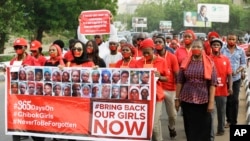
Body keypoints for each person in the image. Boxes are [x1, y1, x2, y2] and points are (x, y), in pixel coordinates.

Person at [175, 39, 217, 141]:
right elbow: (180, 81)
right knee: (190, 127)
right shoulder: (185, 62)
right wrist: (177, 99)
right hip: (187, 99)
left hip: (203, 100)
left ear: (203, 49)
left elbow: (212, 84)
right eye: (193, 47)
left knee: (204, 127)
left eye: (198, 47)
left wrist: (211, 102)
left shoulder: (209, 63)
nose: (195, 49)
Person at [135, 38, 168, 141]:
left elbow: (167, 78)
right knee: (147, 124)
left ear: (153, 50)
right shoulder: (138, 62)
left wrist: (160, 76)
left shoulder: (162, 61)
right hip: (143, 97)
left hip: (157, 96)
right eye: (143, 52)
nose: (145, 55)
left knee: (154, 124)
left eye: (147, 52)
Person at [155, 34, 180, 139]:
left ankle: (171, 127)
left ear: (165, 44)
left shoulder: (172, 57)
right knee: (157, 115)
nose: (157, 44)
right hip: (158, 89)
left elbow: (177, 74)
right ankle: (158, 137)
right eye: (155, 42)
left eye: (160, 42)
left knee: (172, 114)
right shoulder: (153, 57)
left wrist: (178, 93)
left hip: (171, 89)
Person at [221, 33, 247, 127]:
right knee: (227, 100)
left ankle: (234, 121)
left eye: (233, 39)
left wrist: (238, 71)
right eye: (229, 39)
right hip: (224, 79)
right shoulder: (222, 49)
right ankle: (228, 120)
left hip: (236, 78)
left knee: (234, 100)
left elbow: (243, 63)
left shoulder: (241, 51)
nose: (231, 41)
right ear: (226, 40)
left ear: (236, 40)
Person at [209, 38, 233, 136]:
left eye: (217, 45)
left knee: (221, 111)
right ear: (211, 46)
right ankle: (209, 132)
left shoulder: (225, 59)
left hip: (222, 90)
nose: (216, 47)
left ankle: (221, 129)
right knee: (210, 112)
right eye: (214, 45)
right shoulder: (207, 59)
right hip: (209, 90)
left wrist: (230, 87)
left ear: (220, 47)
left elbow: (230, 74)